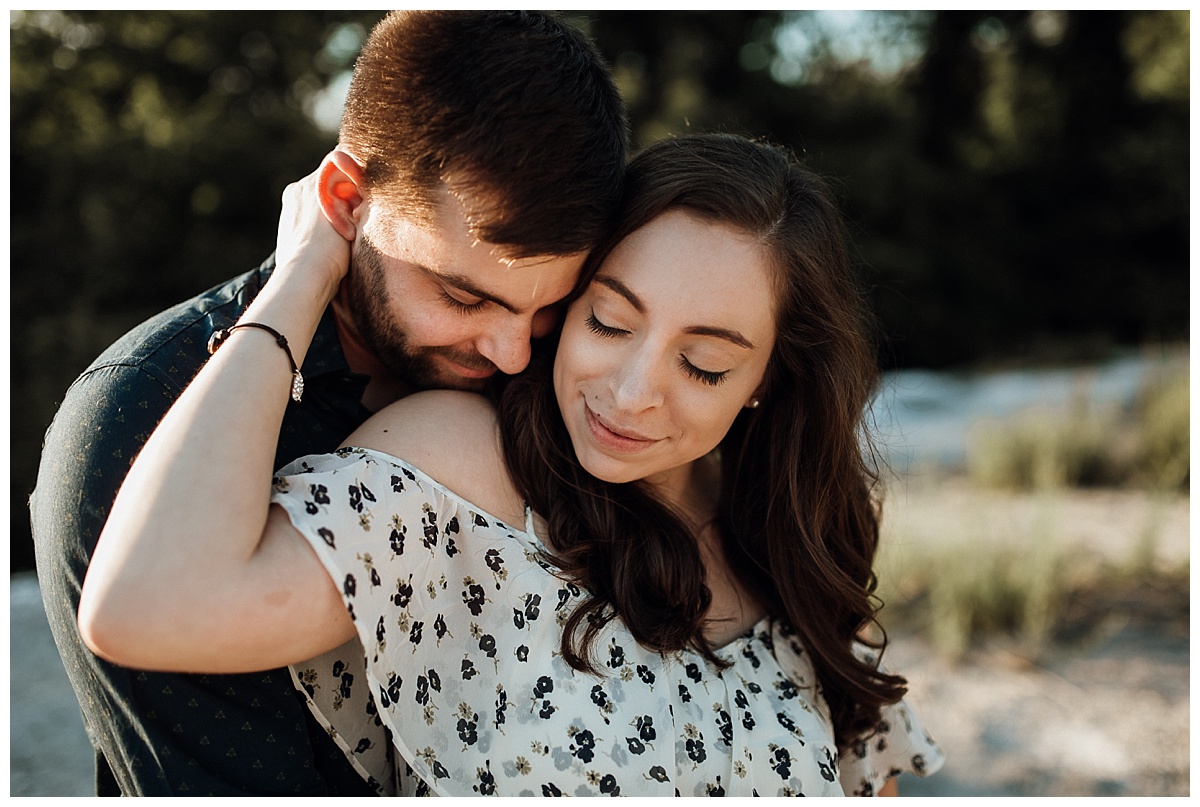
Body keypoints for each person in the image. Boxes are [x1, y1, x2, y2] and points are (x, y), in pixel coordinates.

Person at [78, 132, 945, 796]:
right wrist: (303, 273)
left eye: (704, 364)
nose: (635, 392)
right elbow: (146, 602)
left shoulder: (794, 541)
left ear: (767, 380)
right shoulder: (462, 469)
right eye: (608, 321)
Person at [30, 10, 628, 796]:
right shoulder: (140, 416)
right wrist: (302, 278)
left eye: (546, 306)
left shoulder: (553, 366)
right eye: (460, 295)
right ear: (346, 199)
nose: (514, 352)